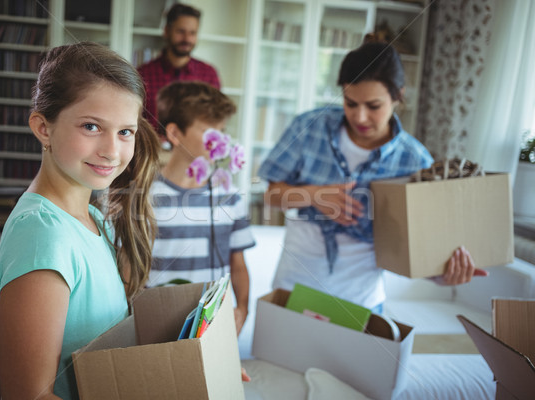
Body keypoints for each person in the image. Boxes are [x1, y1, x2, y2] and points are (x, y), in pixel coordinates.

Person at [258, 41, 488, 313]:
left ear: (398, 96)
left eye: (374, 105)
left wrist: (442, 275)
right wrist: (313, 195)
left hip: (361, 297)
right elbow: (271, 196)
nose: (360, 116)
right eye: (350, 103)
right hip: (294, 283)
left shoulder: (416, 161)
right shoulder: (309, 127)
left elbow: (418, 243)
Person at [0, 42, 160, 399]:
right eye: (91, 126)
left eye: (125, 132)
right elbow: (27, 395)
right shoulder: (43, 237)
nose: (112, 151)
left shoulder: (94, 218)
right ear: (43, 127)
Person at [149, 81, 255, 335]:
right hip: (155, 321)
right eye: (210, 131)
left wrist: (242, 309)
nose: (222, 140)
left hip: (211, 323)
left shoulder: (230, 197)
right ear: (174, 134)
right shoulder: (144, 198)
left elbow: (238, 264)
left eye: (223, 130)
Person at [137, 3, 221, 131]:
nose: (187, 39)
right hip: (154, 148)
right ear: (166, 31)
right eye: (181, 31)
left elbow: (215, 121)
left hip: (194, 150)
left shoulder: (208, 75)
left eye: (192, 33)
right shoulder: (143, 74)